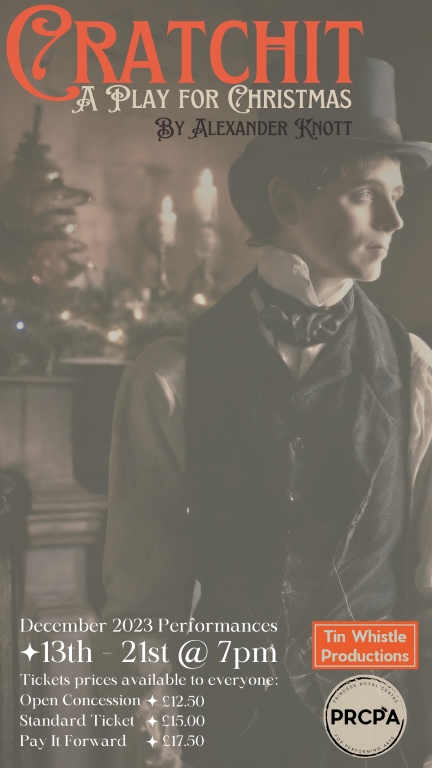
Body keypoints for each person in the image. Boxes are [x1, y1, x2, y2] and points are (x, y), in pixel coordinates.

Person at [97, 56, 432, 767]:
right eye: (365, 195)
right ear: (285, 199)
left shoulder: (414, 369)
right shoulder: (173, 374)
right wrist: (155, 736)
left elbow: (428, 585)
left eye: (398, 196)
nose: (395, 220)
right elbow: (144, 594)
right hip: (228, 723)